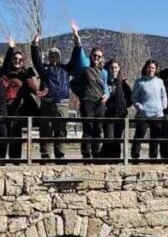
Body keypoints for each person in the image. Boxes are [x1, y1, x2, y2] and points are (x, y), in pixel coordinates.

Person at [31, 30, 78, 160]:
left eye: (56, 56)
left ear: (60, 57)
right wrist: (35, 44)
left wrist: (76, 40)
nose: (54, 58)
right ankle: (45, 155)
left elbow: (75, 57)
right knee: (45, 130)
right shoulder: (44, 69)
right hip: (47, 104)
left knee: (61, 130)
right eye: (51, 56)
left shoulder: (66, 69)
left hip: (62, 104)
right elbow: (36, 61)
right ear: (49, 57)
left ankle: (60, 155)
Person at [69, 23, 111, 159]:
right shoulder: (85, 68)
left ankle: (96, 153)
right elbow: (72, 83)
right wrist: (82, 95)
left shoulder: (104, 72)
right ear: (91, 56)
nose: (96, 58)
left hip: (100, 103)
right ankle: (86, 154)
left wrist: (106, 95)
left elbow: (106, 87)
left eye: (99, 56)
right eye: (94, 55)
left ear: (102, 58)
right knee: (88, 128)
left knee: (98, 129)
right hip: (88, 102)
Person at [3, 37, 42, 160]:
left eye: (20, 59)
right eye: (15, 58)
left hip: (19, 106)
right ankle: (6, 159)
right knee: (7, 133)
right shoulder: (6, 71)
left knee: (16, 132)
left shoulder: (25, 73)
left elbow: (31, 84)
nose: (17, 61)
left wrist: (38, 92)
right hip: (7, 105)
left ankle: (17, 159)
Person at [130, 60, 167, 160]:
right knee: (139, 136)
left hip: (157, 114)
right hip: (143, 114)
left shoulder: (160, 81)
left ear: (156, 70)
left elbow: (164, 96)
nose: (151, 69)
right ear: (145, 68)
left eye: (153, 68)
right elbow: (133, 97)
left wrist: (163, 106)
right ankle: (135, 157)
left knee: (155, 138)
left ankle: (153, 158)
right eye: (149, 67)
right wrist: (138, 106)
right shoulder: (139, 82)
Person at [102, 58, 132, 158]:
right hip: (108, 115)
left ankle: (116, 160)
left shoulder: (123, 84)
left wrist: (123, 104)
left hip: (120, 115)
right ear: (108, 69)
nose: (114, 69)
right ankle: (106, 159)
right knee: (109, 137)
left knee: (118, 138)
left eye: (116, 67)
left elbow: (130, 99)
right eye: (111, 67)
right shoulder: (105, 83)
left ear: (119, 69)